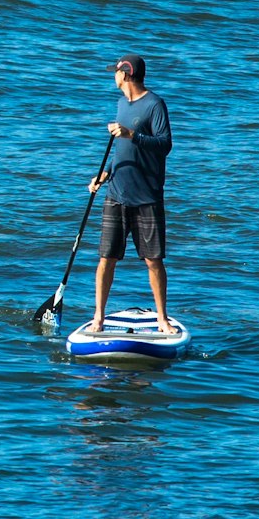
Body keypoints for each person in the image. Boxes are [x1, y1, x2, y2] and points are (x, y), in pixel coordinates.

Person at [88, 55, 176, 334]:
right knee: (106, 258)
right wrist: (105, 174)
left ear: (126, 74)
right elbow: (121, 151)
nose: (112, 76)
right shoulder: (121, 104)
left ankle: (162, 319)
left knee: (153, 260)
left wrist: (132, 134)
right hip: (116, 193)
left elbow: (165, 145)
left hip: (147, 196)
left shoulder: (155, 105)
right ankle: (99, 317)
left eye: (115, 72)